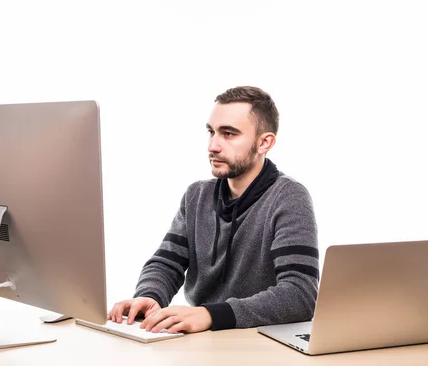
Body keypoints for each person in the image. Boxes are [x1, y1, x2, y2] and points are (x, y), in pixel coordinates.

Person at [108, 86, 319, 334]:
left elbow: (301, 294)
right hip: (204, 339)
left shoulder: (289, 197)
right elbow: (166, 264)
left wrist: (210, 314)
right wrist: (150, 296)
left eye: (229, 134)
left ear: (264, 143)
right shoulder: (197, 195)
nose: (213, 146)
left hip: (259, 340)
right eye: (212, 132)